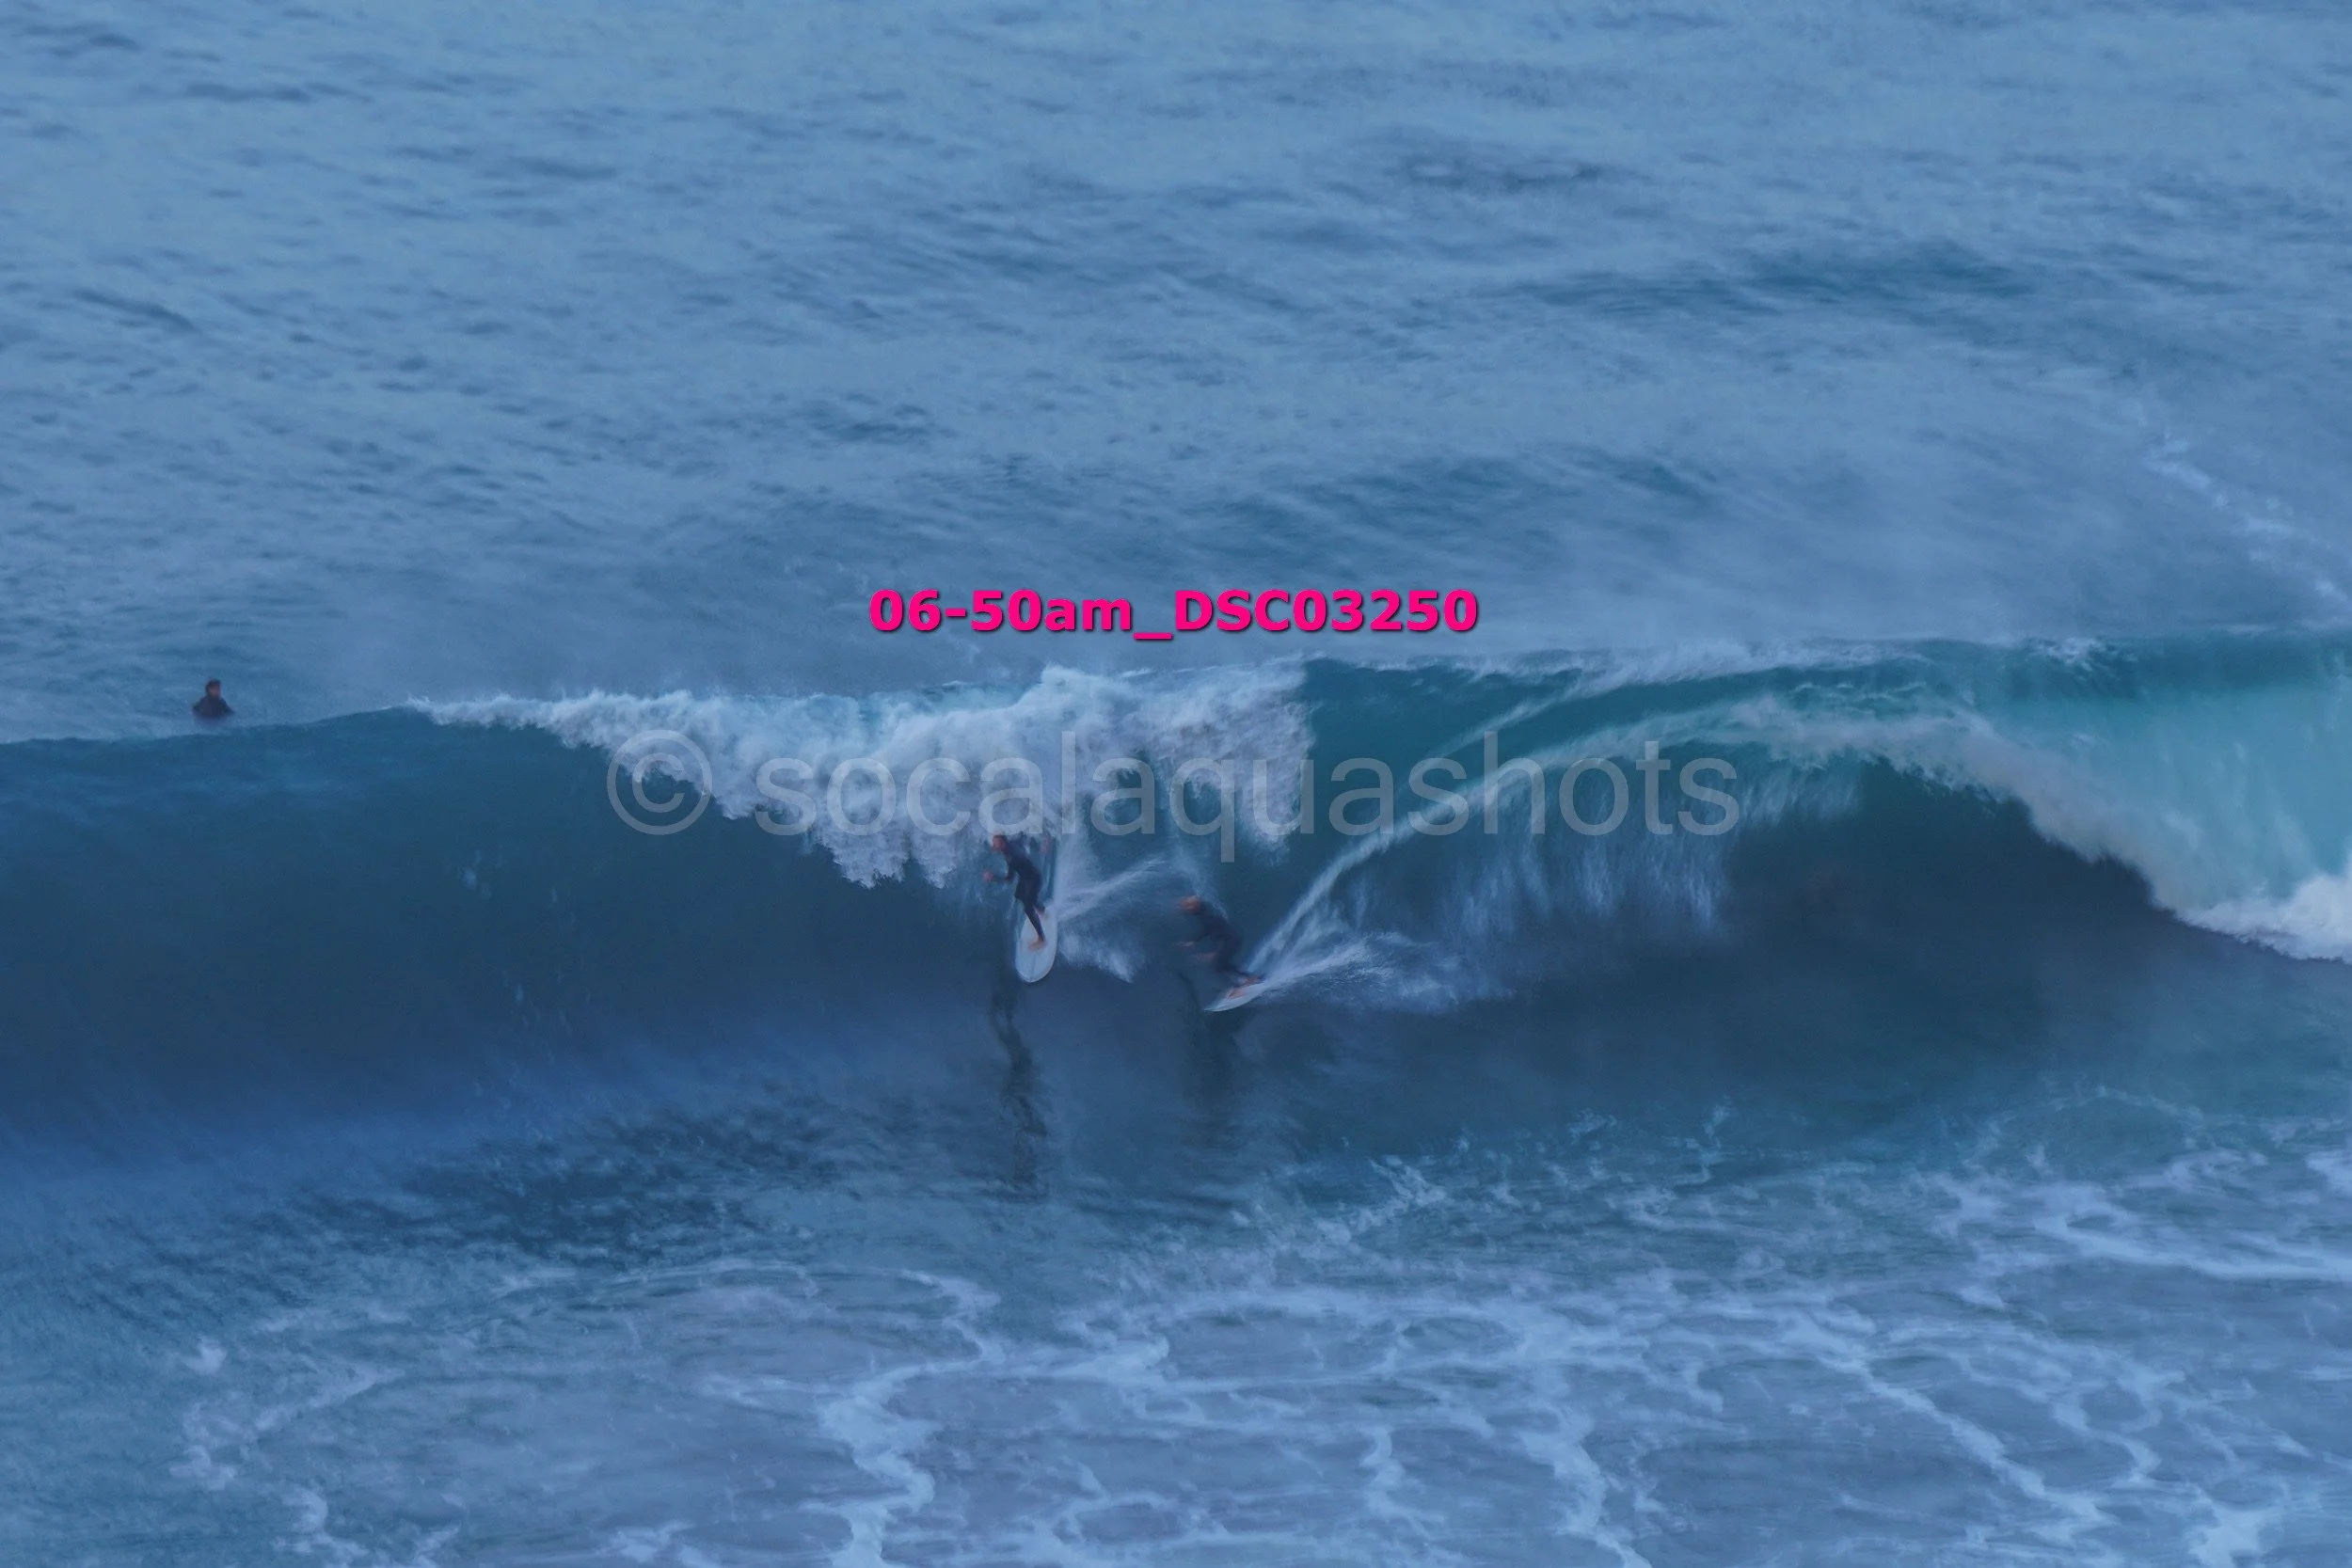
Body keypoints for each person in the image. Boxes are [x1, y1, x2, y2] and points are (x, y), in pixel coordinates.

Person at [1177, 895, 1260, 990]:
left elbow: (1211, 930)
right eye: (1186, 907)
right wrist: (1192, 941)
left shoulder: (1207, 915)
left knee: (1218, 967)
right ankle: (1249, 978)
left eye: (1189, 906)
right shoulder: (1204, 913)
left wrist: (1214, 953)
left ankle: (1237, 988)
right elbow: (1207, 930)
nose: (1188, 909)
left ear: (1196, 906)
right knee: (1222, 965)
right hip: (1233, 938)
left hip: (1231, 939)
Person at [986, 832, 1049, 944]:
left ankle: (1041, 939)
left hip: (1032, 880)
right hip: (1026, 877)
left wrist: (993, 877)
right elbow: (1024, 837)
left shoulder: (1012, 858)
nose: (993, 846)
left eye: (995, 845)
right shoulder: (1011, 843)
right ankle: (1041, 910)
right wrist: (1041, 845)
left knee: (1028, 909)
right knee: (1019, 895)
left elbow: (1009, 879)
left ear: (1002, 844)